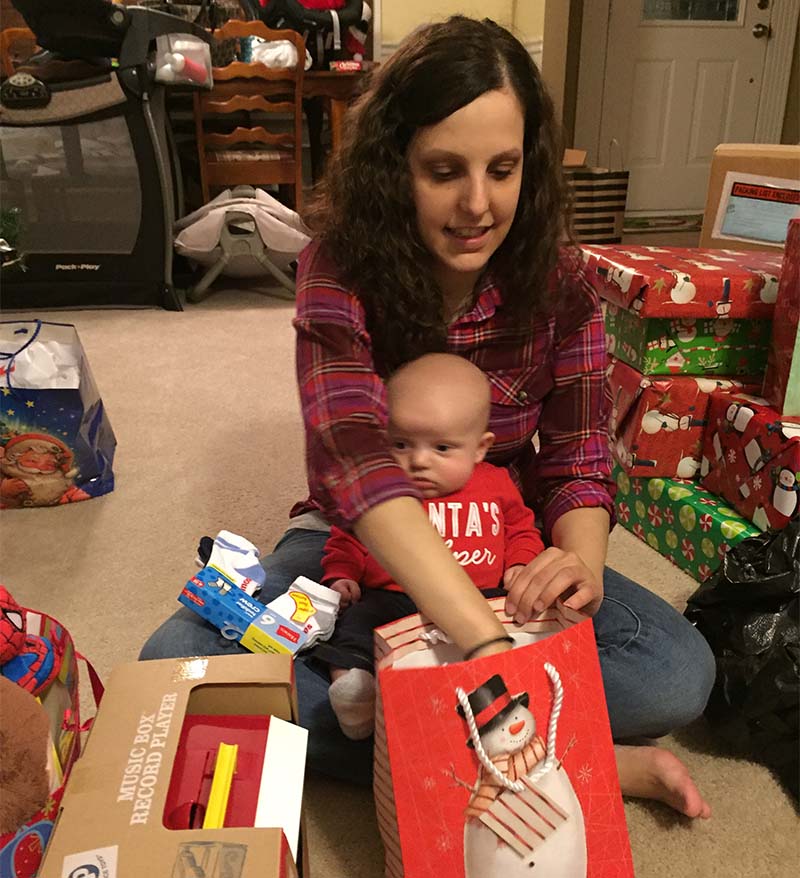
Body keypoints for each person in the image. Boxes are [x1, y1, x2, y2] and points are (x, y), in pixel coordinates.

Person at [141, 15, 714, 819]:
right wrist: (485, 653)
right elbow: (352, 464)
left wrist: (574, 570)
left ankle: (412, 716)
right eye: (444, 170)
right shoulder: (337, 266)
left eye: (504, 169)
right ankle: (576, 755)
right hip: (362, 549)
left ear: (531, 168)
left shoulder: (561, 280)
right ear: (394, 167)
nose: (478, 204)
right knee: (177, 663)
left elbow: (578, 457)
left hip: (498, 546)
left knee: (677, 674)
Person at [317, 353, 545, 740]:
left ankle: (468, 709)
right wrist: (341, 575)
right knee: (352, 630)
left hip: (482, 601)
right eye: (401, 443)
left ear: (480, 448)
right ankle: (357, 696)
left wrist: (521, 564)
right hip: (393, 597)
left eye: (442, 448)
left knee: (526, 634)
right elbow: (348, 536)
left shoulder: (496, 483)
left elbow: (522, 529)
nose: (418, 461)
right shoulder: (384, 488)